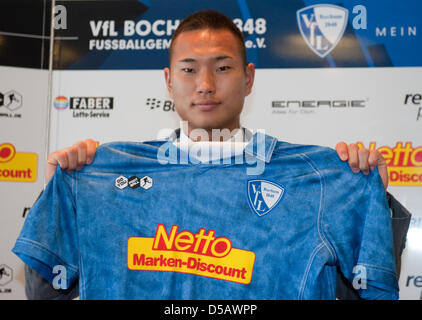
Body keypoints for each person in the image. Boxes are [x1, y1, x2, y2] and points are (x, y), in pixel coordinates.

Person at [15, 10, 410, 300]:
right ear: (169, 81)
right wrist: (58, 199)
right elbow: (47, 293)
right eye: (189, 70)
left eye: (222, 67)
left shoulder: (318, 178)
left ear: (248, 78)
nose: (205, 84)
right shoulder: (99, 174)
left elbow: (367, 290)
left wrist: (371, 199)